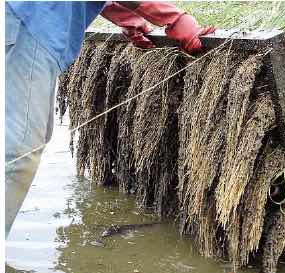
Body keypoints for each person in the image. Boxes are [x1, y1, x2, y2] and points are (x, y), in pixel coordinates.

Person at [5, 1, 215, 237]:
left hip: (23, 21)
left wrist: (125, 15)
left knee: (28, 140)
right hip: (28, 23)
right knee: (18, 153)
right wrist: (174, 18)